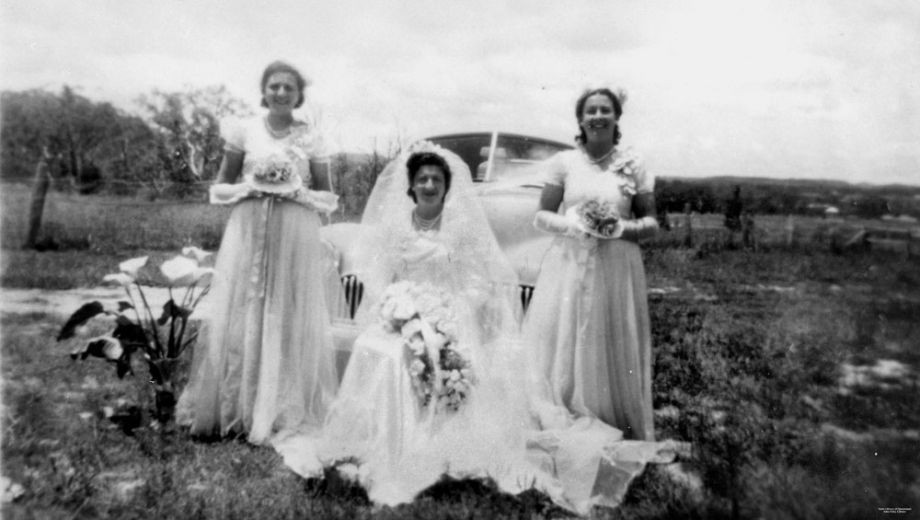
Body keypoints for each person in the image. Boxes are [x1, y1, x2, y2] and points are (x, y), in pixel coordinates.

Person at [274, 141, 680, 514]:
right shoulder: (396, 228)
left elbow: (478, 282)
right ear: (411, 188)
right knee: (383, 349)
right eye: (422, 180)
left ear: (447, 187)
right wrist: (400, 310)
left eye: (436, 179)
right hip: (401, 316)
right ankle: (387, 443)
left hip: (450, 315)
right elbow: (380, 279)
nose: (429, 185)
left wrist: (446, 314)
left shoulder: (462, 227)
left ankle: (432, 443)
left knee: (435, 352)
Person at [177, 60, 339, 444]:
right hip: (249, 226)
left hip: (294, 230)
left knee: (286, 308)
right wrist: (254, 186)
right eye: (274, 86)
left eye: (288, 88)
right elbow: (219, 189)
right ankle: (236, 405)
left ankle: (281, 408)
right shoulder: (245, 130)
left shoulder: (313, 137)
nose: (281, 93)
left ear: (299, 95)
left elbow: (328, 198)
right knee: (244, 308)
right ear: (263, 91)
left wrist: (295, 191)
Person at [523, 86, 659, 441]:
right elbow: (540, 215)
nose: (598, 116)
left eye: (605, 110)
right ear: (580, 119)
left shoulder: (634, 166)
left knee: (607, 332)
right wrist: (574, 225)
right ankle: (565, 406)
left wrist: (616, 228)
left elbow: (652, 224)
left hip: (617, 264)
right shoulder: (564, 164)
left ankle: (609, 412)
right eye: (590, 111)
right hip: (570, 261)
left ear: (617, 118)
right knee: (569, 333)